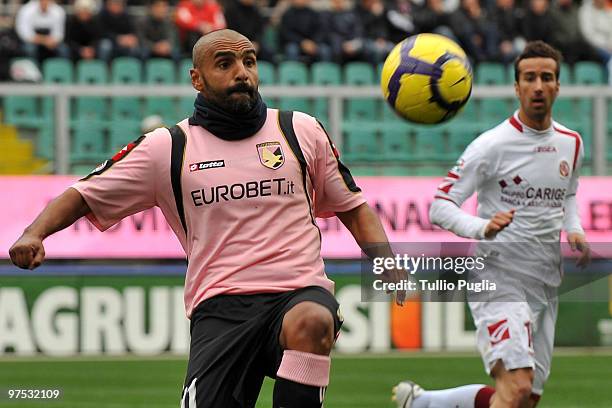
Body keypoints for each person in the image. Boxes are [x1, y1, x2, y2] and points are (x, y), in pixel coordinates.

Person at [9, 29, 402, 408]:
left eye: (249, 61)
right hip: (220, 306)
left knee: (313, 321)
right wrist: (34, 233)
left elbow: (353, 206)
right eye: (225, 63)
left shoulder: (300, 130)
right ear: (197, 79)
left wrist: (385, 261)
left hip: (296, 290)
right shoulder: (168, 147)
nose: (241, 72)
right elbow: (85, 192)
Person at [392, 41, 591, 408]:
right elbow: (440, 206)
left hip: (547, 281)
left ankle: (424, 403)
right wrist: (482, 228)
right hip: (499, 279)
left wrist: (574, 228)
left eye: (546, 78)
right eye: (529, 78)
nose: (537, 86)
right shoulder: (491, 146)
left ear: (558, 86)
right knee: (515, 389)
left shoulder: (571, 143)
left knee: (525, 398)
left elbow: (568, 194)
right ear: (516, 87)